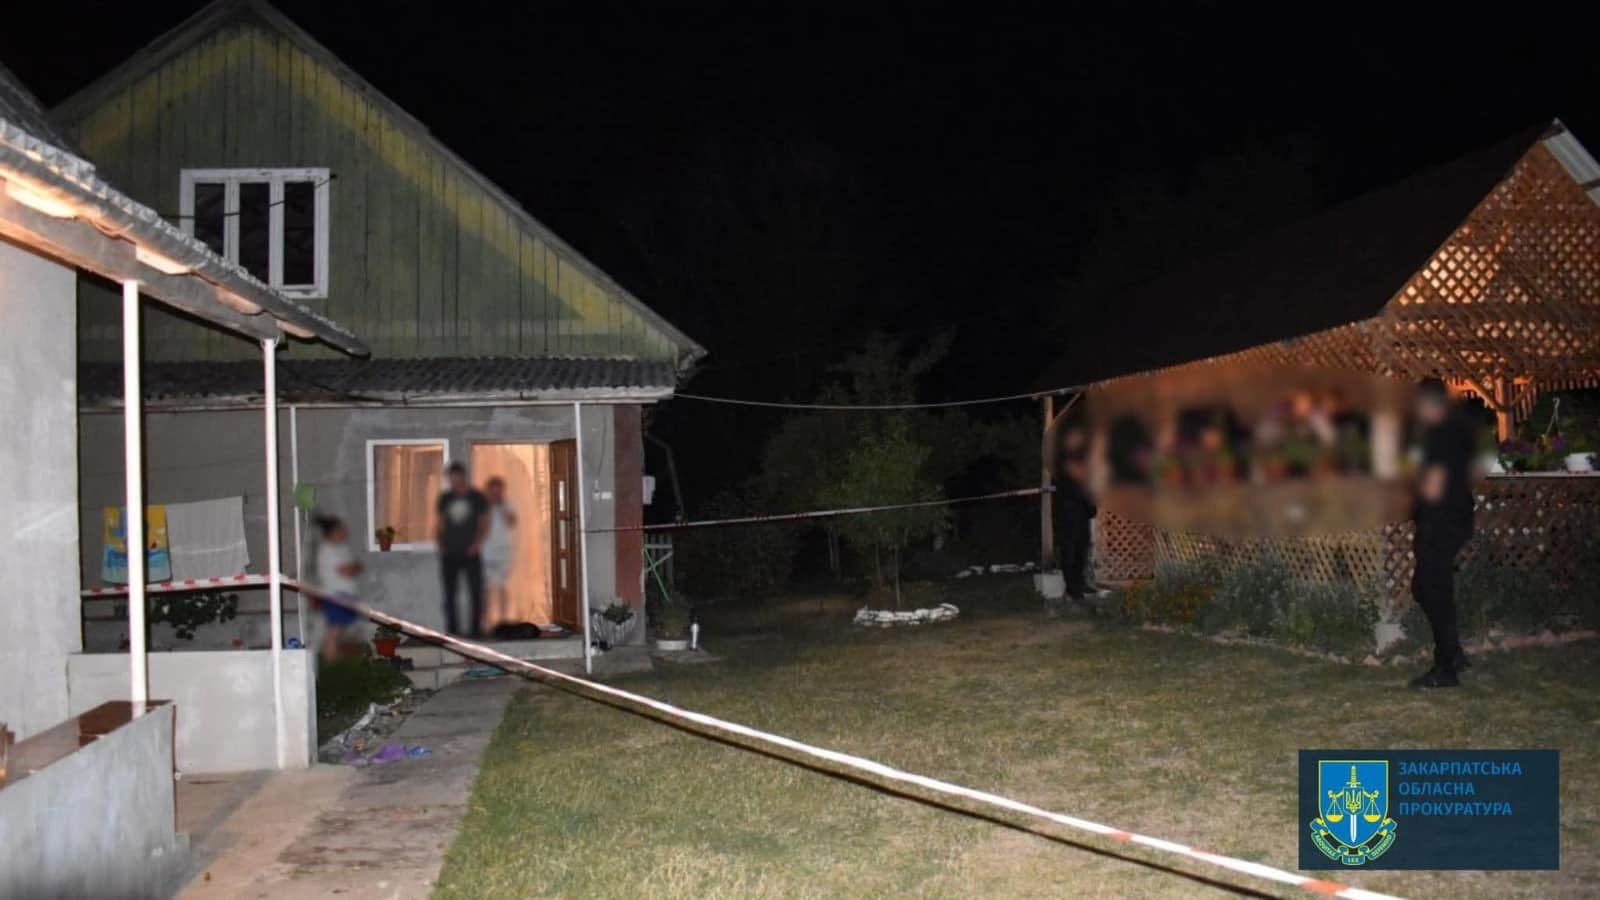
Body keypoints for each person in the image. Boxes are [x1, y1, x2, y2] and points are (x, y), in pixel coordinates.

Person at [1408, 378, 1477, 689]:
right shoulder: (1456, 432)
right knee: (1427, 588)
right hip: (1456, 519)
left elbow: (1433, 488)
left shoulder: (1438, 435)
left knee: (1432, 589)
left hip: (1439, 522)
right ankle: (1454, 653)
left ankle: (1445, 667)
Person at [437, 462, 490, 638]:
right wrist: (440, 544)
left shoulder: (477, 497)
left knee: (475, 592)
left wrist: (477, 543)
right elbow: (440, 523)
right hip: (449, 553)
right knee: (450, 594)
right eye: (451, 480)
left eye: (456, 479)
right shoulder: (445, 498)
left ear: (463, 477)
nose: (454, 483)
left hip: (471, 552)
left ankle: (476, 630)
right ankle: (452, 630)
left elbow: (484, 522)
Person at [1053, 423, 1099, 607]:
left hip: (1080, 509)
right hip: (1069, 509)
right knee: (1070, 549)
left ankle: (1079, 583)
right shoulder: (1064, 459)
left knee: (1082, 547)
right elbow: (1073, 486)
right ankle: (1072, 588)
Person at [312, 515, 362, 661]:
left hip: (346, 595)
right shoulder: (327, 550)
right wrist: (353, 567)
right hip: (335, 596)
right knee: (334, 631)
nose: (345, 532)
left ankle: (331, 659)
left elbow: (355, 567)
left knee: (340, 631)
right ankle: (329, 660)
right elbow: (346, 570)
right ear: (333, 532)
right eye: (341, 529)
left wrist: (354, 567)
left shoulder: (341, 548)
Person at [482, 476, 518, 626]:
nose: (495, 494)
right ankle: (486, 619)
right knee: (485, 587)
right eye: (493, 491)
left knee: (503, 586)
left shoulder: (507, 504)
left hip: (503, 550)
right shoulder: (482, 505)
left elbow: (512, 522)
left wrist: (502, 507)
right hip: (485, 551)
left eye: (498, 491)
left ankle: (504, 619)